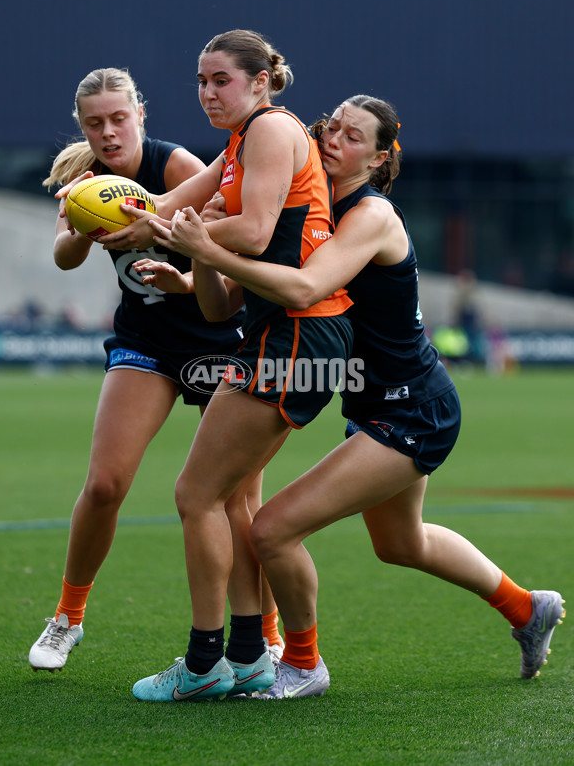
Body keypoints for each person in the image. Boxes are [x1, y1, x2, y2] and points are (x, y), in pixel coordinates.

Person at [138, 95, 566, 698]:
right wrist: (197, 271)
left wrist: (205, 244)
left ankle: (303, 663)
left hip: (413, 406)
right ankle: (527, 608)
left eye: (353, 136)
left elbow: (305, 286)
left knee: (272, 530)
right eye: (332, 127)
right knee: (401, 543)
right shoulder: (308, 204)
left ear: (380, 157)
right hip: (372, 404)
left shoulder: (371, 216)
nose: (333, 139)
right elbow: (227, 300)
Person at [114, 29, 354, 702]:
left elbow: (252, 231)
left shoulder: (271, 129)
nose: (207, 92)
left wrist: (174, 232)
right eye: (200, 80)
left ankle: (204, 664)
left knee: (196, 495)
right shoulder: (239, 145)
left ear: (260, 81)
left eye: (220, 79)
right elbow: (213, 291)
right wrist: (165, 252)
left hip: (301, 335)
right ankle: (248, 656)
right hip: (280, 333)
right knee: (233, 497)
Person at [27, 67, 281, 674]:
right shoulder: (84, 179)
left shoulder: (176, 167)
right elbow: (63, 258)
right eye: (95, 123)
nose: (109, 132)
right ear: (82, 126)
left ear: (140, 114)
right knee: (105, 483)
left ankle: (267, 636)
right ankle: (67, 617)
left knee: (239, 502)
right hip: (146, 342)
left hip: (219, 340)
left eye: (119, 118)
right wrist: (83, 221)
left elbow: (234, 244)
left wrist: (168, 241)